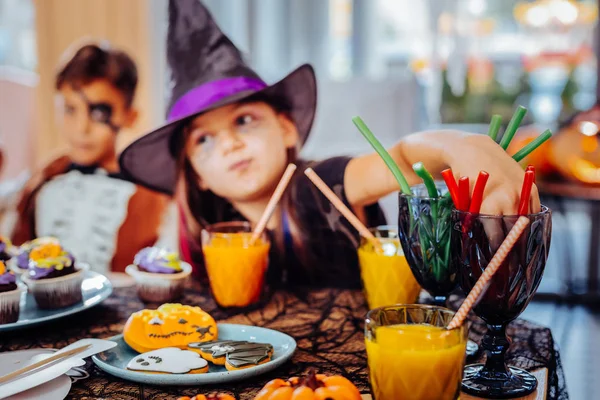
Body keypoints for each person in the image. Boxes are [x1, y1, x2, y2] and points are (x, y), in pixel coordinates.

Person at [119, 0, 540, 288]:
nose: (229, 144)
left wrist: (463, 147)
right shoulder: (209, 228)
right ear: (196, 174)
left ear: (287, 130)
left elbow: (405, 156)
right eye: (205, 140)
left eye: (244, 120)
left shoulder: (320, 185)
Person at [10, 41, 177, 273]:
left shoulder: (149, 193)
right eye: (70, 109)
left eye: (99, 112)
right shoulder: (46, 176)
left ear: (130, 116)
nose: (81, 128)